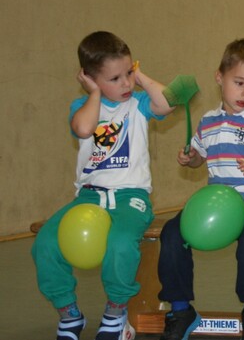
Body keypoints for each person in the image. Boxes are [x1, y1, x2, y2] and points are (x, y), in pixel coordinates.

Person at [32, 31, 174, 340]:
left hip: (130, 197)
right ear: (91, 80)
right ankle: (69, 314)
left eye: (128, 73)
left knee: (121, 243)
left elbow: (168, 102)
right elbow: (84, 128)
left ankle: (115, 311)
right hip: (88, 197)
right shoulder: (82, 107)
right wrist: (94, 95)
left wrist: (141, 77)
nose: (125, 84)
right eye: (114, 78)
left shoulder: (137, 104)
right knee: (45, 244)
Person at [157, 39, 244, 340]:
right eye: (239, 82)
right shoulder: (207, 122)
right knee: (172, 234)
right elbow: (200, 158)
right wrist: (191, 159)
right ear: (220, 77)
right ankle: (181, 309)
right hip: (216, 202)